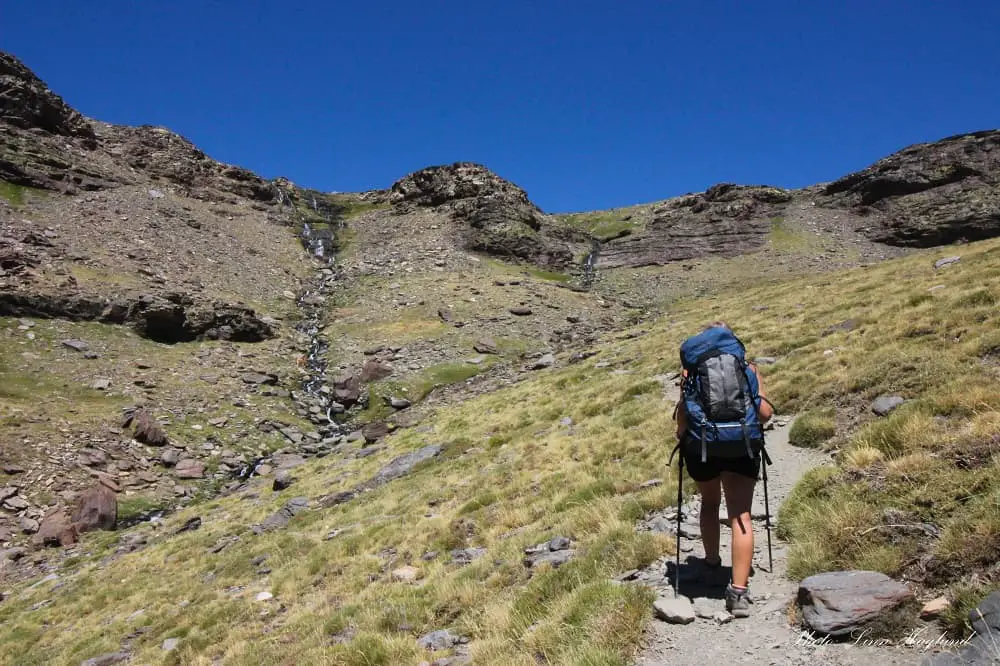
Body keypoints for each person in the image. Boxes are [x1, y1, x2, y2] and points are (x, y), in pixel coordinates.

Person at [674, 321, 773, 617]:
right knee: (740, 514)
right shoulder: (748, 368)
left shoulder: (691, 370)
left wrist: (681, 435)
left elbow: (683, 415)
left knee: (709, 502)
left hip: (703, 447)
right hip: (741, 446)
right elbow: (765, 414)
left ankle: (713, 562)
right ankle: (739, 592)